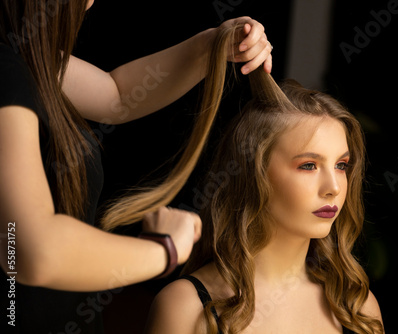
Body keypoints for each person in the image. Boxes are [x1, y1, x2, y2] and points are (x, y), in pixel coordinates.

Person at [0, 0, 272, 332]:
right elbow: (31, 249)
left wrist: (211, 45)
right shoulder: (6, 70)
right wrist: (165, 251)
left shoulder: (25, 62)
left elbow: (117, 95)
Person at [142, 27, 385, 333]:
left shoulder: (357, 308)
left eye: (341, 165)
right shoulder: (188, 307)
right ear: (253, 173)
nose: (334, 188)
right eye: (309, 165)